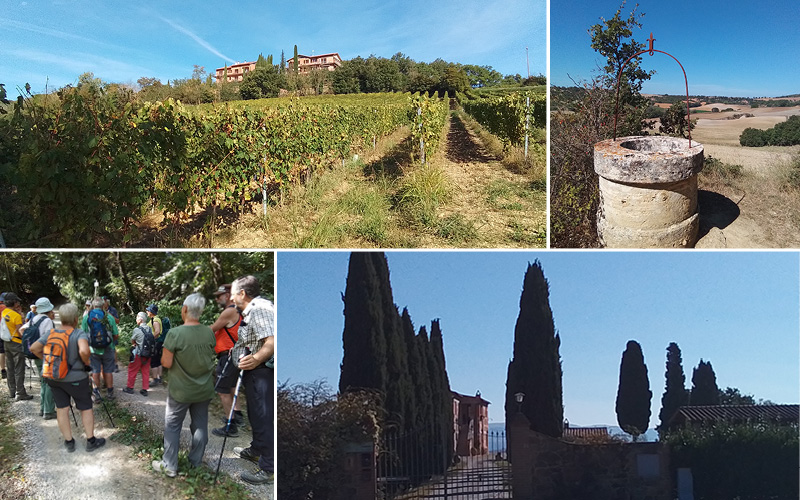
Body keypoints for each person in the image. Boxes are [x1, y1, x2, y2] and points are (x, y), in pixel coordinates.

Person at [152, 293, 216, 478]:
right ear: (201, 311)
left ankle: (170, 465)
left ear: (185, 309)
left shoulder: (175, 333)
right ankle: (195, 462)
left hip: (180, 391)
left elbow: (165, 363)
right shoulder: (209, 332)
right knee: (200, 426)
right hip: (204, 389)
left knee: (173, 426)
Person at [30, 303, 106, 453]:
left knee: (62, 408)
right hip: (76, 379)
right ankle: (91, 441)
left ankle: (69, 442)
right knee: (85, 408)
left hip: (54, 378)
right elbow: (84, 350)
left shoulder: (51, 333)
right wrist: (86, 363)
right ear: (76, 319)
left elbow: (33, 348)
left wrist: (46, 360)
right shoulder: (78, 334)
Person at [229, 275, 275, 485]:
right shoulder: (251, 311)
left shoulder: (260, 309)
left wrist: (255, 359)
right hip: (254, 371)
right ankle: (257, 449)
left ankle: (269, 467)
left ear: (242, 294)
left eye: (232, 293)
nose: (230, 298)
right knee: (256, 414)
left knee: (265, 417)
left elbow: (272, 341)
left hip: (262, 370)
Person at [209, 284, 245, 438]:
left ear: (229, 295)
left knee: (222, 390)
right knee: (231, 387)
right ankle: (237, 416)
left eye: (220, 295)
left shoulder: (230, 311)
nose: (217, 299)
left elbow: (211, 329)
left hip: (228, 356)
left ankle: (230, 426)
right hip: (236, 355)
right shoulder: (240, 312)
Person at [82, 298, 119, 402]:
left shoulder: (87, 317)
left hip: (93, 350)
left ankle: (96, 394)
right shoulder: (109, 317)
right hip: (108, 348)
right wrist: (110, 342)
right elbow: (116, 334)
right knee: (108, 371)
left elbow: (83, 335)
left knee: (95, 371)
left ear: (93, 306)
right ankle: (110, 393)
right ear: (103, 306)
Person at [29, 297, 57, 419]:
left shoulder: (32, 319)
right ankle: (49, 411)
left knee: (43, 382)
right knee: (50, 383)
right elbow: (51, 339)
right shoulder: (47, 321)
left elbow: (21, 330)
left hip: (35, 354)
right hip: (45, 354)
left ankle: (42, 408)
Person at [2, 292, 34, 401]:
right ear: (15, 303)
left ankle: (12, 391)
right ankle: (20, 392)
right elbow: (21, 332)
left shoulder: (4, 312)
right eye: (17, 301)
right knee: (19, 368)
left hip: (7, 342)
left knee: (10, 368)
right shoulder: (15, 316)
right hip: (16, 343)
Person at [124, 312, 153, 396]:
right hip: (148, 354)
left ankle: (130, 388)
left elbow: (132, 340)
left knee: (132, 370)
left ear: (140, 320)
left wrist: (135, 343)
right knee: (145, 371)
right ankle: (144, 389)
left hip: (138, 354)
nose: (136, 319)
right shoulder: (149, 329)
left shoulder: (137, 330)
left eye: (137, 318)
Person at [146, 304, 164, 386]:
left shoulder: (155, 320)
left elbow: (157, 331)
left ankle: (155, 379)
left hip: (155, 343)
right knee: (158, 360)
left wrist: (150, 339)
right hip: (158, 343)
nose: (147, 312)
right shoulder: (154, 319)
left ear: (151, 312)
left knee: (153, 361)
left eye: (148, 310)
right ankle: (160, 378)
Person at [0, 293, 7, 380]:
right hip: (6, 330)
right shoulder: (6, 307)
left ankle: (3, 370)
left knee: (1, 351)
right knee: (8, 349)